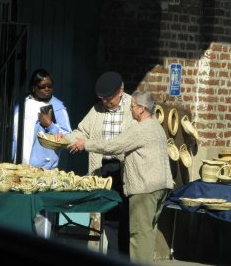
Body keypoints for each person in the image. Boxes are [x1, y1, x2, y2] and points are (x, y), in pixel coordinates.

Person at [68, 91, 174, 264]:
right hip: (160, 188)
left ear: (141, 109)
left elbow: (113, 145)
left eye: (132, 107)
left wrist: (85, 144)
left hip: (145, 189)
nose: (130, 110)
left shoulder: (141, 129)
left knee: (139, 237)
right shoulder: (157, 127)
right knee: (147, 235)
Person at [64, 71, 136, 257]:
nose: (105, 102)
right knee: (110, 215)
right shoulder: (97, 110)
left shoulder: (134, 107)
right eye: (102, 98)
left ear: (121, 91)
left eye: (109, 98)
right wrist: (66, 139)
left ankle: (126, 256)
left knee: (127, 216)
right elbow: (82, 131)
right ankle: (114, 257)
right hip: (105, 169)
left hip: (127, 169)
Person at [12, 68, 72, 238]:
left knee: (41, 214)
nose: (47, 89)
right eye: (43, 86)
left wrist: (50, 126)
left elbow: (69, 136)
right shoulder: (23, 103)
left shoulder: (57, 107)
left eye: (50, 86)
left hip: (43, 169)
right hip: (20, 165)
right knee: (21, 210)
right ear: (33, 87)